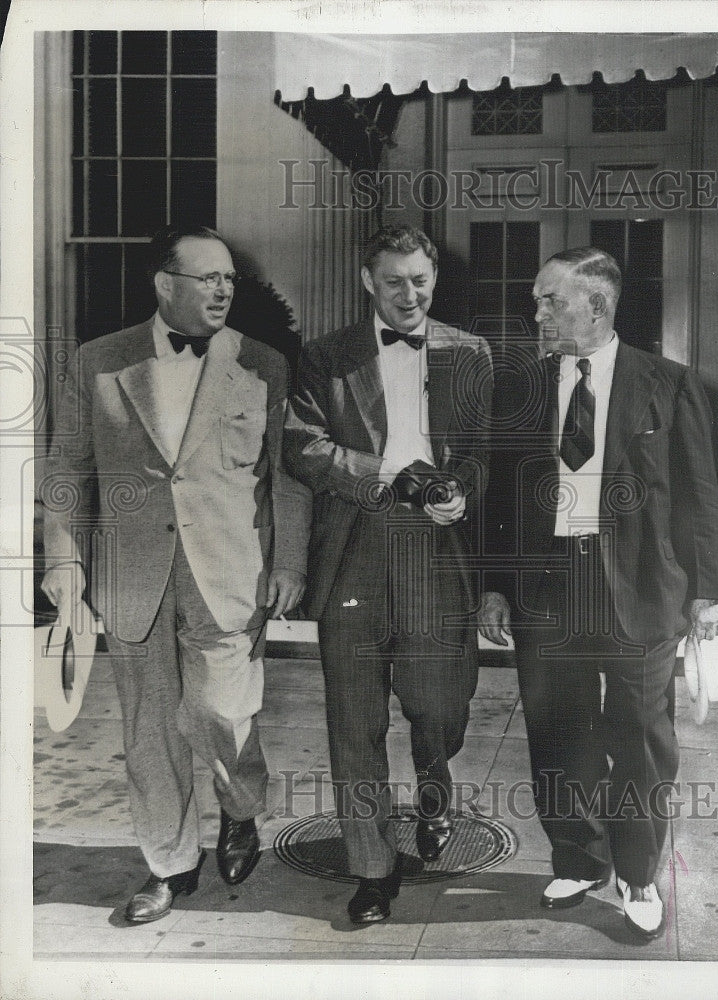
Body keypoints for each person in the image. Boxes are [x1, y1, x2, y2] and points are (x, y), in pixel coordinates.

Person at [41, 225, 311, 923]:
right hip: (132, 579)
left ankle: (241, 811)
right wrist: (65, 564)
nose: (223, 289)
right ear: (165, 285)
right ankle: (169, 865)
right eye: (207, 278)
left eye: (228, 279)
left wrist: (288, 563)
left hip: (229, 575)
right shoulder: (98, 362)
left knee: (223, 716)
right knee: (150, 731)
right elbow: (69, 467)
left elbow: (285, 477)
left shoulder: (263, 363)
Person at [479, 247, 718, 941]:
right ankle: (578, 857)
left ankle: (639, 870)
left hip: (641, 590)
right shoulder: (521, 386)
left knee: (641, 737)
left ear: (596, 306)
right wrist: (496, 586)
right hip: (547, 587)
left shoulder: (668, 384)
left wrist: (707, 595)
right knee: (557, 730)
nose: (536, 313)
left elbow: (700, 495)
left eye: (548, 301)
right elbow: (501, 498)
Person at [283, 224, 493, 924]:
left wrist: (460, 487)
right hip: (356, 546)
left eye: (420, 280)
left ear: (434, 280)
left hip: (436, 553)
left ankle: (434, 790)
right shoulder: (323, 357)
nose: (410, 293)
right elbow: (302, 448)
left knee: (439, 707)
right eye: (395, 280)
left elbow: (483, 452)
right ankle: (370, 870)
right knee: (355, 721)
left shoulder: (470, 353)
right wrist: (381, 475)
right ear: (368, 281)